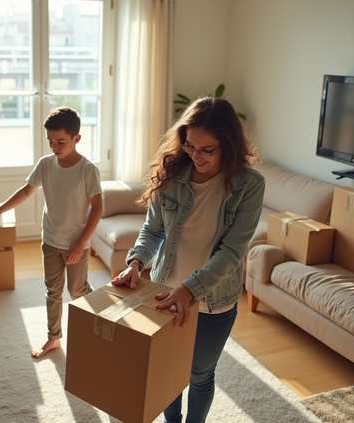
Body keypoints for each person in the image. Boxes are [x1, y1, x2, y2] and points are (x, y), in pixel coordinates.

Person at [111, 96, 264, 422]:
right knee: (167, 368)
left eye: (206, 149)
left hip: (214, 300)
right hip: (166, 291)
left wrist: (190, 289)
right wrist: (135, 263)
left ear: (228, 143)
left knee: (199, 375)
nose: (196, 156)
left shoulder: (249, 186)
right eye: (190, 146)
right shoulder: (172, 174)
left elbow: (233, 251)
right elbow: (152, 231)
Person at [0, 107, 104, 359]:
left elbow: (98, 208)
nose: (54, 146)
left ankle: (102, 320)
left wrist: (81, 243)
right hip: (50, 241)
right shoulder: (46, 165)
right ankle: (53, 338)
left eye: (60, 142)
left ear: (76, 138)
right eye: (50, 141)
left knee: (78, 291)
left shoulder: (87, 170)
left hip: (75, 245)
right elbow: (27, 191)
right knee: (53, 291)